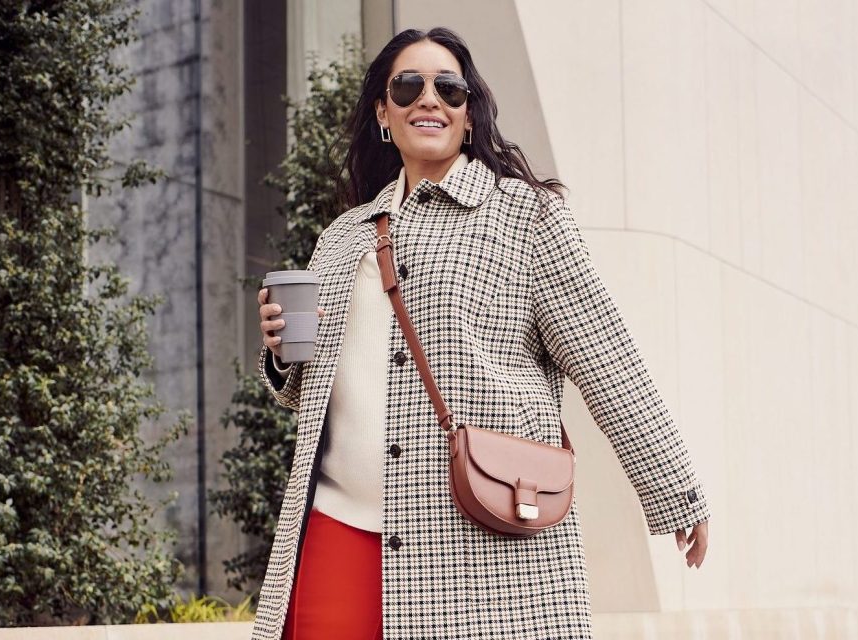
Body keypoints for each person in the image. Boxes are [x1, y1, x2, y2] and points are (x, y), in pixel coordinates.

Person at [252, 26, 710, 640]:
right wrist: (283, 356)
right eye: (408, 85)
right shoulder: (342, 238)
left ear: (469, 115)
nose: (429, 99)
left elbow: (608, 359)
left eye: (450, 87)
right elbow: (316, 391)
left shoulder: (526, 217)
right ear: (384, 114)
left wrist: (674, 488)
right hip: (336, 530)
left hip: (469, 541)